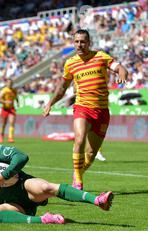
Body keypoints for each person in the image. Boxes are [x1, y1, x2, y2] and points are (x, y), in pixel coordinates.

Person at [0, 137, 114, 225]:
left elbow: (21, 156)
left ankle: (97, 200)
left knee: (46, 186)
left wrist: (5, 174)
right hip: (9, 204)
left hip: (24, 186)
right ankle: (44, 220)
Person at [43, 29, 128, 190]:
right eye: (76, 41)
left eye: (83, 41)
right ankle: (78, 182)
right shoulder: (70, 63)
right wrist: (50, 103)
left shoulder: (101, 56)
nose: (79, 45)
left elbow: (119, 67)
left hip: (102, 111)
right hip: (82, 107)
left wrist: (123, 73)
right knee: (79, 138)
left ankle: (78, 173)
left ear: (89, 43)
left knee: (90, 155)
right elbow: (62, 88)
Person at [0, 79, 18, 143]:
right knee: (3, 123)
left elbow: (16, 97)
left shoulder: (14, 90)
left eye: (11, 83)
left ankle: (10, 138)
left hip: (11, 108)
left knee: (12, 122)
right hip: (5, 109)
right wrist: (5, 101)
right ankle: (1, 135)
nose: (10, 84)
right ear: (6, 83)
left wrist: (17, 103)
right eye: (9, 83)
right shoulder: (3, 90)